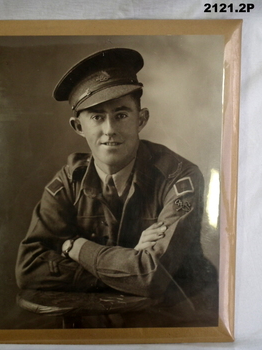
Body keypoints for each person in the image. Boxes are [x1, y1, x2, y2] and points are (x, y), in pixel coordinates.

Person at [15, 48, 218, 328]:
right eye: (97, 117)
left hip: (176, 320)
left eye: (121, 115)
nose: (110, 129)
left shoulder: (180, 177)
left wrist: (76, 247)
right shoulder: (67, 181)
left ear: (141, 119)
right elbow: (28, 269)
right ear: (78, 126)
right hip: (91, 324)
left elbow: (151, 276)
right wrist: (129, 261)